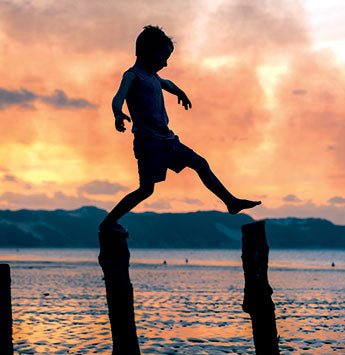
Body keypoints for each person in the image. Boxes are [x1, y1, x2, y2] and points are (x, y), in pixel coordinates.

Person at [100, 25, 260, 234]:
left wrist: (180, 92)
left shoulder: (154, 77)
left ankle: (231, 202)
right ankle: (108, 222)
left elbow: (168, 83)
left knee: (200, 163)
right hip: (149, 143)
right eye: (163, 57)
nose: (166, 63)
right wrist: (117, 113)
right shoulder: (133, 76)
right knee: (146, 190)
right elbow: (118, 97)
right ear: (148, 52)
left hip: (168, 140)